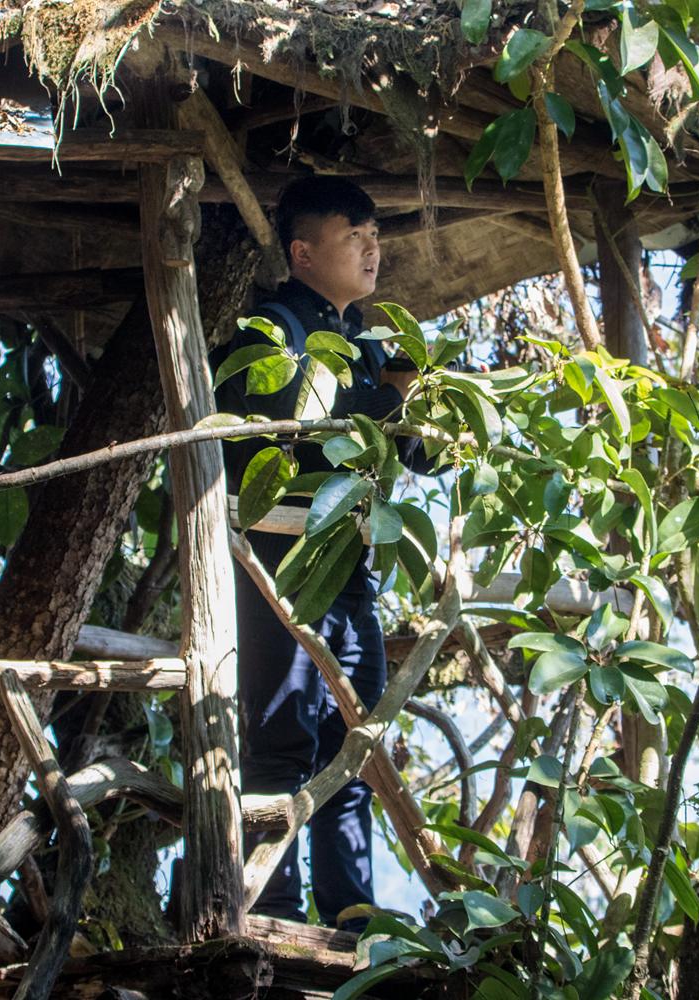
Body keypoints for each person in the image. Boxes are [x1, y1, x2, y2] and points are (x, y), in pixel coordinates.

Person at [214, 175, 425, 931]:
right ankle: (272, 905)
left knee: (354, 736)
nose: (373, 248)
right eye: (353, 236)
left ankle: (353, 910)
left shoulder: (368, 344)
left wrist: (417, 398)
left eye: (375, 235)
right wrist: (386, 400)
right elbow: (289, 425)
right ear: (303, 253)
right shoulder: (271, 331)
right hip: (279, 559)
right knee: (281, 734)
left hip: (348, 566)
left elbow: (424, 452)